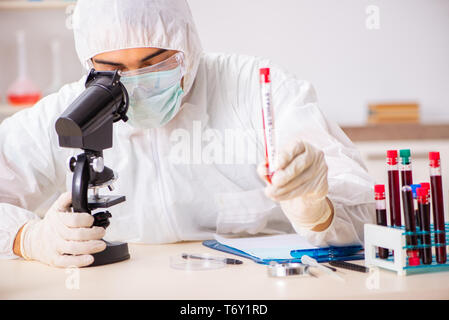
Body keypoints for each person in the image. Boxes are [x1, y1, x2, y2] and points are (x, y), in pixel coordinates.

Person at [0, 0, 375, 268]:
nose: (137, 84)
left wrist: (319, 210)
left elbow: (367, 217)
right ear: (89, 63)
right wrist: (27, 238)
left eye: (155, 62)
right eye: (112, 68)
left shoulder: (253, 88)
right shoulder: (67, 111)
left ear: (188, 45)